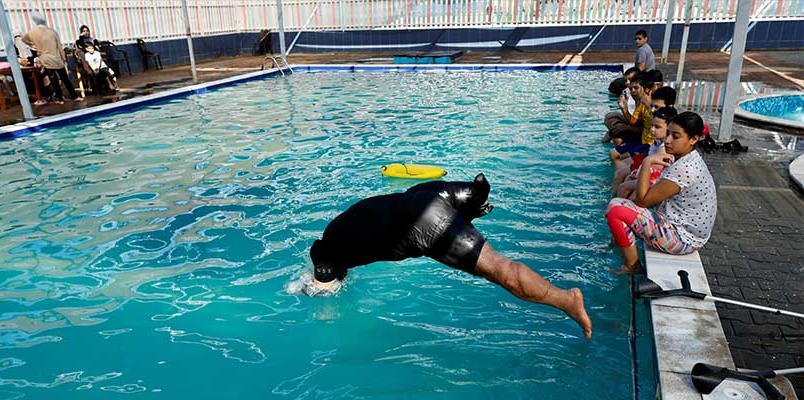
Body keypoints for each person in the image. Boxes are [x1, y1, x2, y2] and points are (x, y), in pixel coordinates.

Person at [304, 174, 592, 339]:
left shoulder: (328, 253)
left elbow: (325, 284)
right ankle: (477, 197)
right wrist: (472, 200)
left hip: (421, 224)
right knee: (475, 207)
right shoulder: (341, 227)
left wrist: (310, 291)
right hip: (426, 196)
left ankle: (566, 300)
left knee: (502, 271)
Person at [605, 112, 717, 274]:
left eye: (675, 136)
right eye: (669, 133)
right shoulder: (687, 158)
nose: (668, 140)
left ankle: (632, 266)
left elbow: (642, 201)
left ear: (693, 139)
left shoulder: (685, 168)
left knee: (615, 209)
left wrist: (647, 162)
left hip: (684, 239)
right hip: (688, 232)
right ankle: (622, 246)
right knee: (626, 197)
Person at [614, 106, 678, 197]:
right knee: (625, 176)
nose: (652, 129)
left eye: (657, 127)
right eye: (652, 125)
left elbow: (655, 167)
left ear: (670, 128)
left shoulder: (664, 147)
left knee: (623, 186)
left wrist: (638, 174)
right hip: (650, 167)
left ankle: (616, 204)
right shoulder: (659, 141)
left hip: (654, 178)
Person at [23, 13, 79, 104]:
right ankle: (74, 96)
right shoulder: (52, 31)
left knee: (53, 79)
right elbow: (59, 46)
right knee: (64, 78)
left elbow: (24, 39)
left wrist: (34, 47)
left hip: (45, 57)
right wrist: (63, 57)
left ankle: (60, 99)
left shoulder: (32, 32)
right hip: (56, 57)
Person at [609, 74, 653, 164]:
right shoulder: (641, 103)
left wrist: (649, 105)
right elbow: (633, 121)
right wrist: (624, 108)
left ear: (646, 89)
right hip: (643, 140)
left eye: (636, 88)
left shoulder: (653, 104)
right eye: (631, 89)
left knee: (622, 158)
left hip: (651, 144)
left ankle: (622, 173)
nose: (633, 91)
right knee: (613, 153)